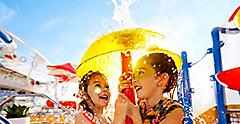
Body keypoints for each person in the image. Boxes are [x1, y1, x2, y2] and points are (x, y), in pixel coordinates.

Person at [117, 52, 185, 124]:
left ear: (162, 79)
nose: (134, 80)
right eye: (134, 76)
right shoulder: (139, 108)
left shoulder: (174, 111)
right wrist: (124, 94)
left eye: (141, 73)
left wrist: (134, 115)